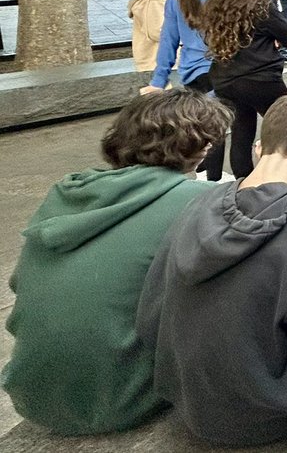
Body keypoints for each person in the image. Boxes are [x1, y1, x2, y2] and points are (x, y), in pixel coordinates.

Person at [2, 90, 230, 435]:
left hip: (32, 392)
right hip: (121, 397)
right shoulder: (197, 200)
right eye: (208, 140)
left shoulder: (67, 191)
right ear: (194, 146)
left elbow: (20, 281)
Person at [136, 94, 287, 447]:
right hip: (267, 412)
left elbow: (150, 312)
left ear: (258, 148)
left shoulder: (200, 201)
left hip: (188, 402)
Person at [202, 0, 287, 179]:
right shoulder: (261, 6)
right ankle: (278, 180)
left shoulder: (214, 4)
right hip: (261, 80)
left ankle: (244, 184)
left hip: (226, 80)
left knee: (242, 136)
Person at [144, 0, 229, 182]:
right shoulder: (220, 0)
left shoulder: (174, 1)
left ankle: (202, 173)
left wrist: (158, 81)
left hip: (190, 74)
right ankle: (213, 178)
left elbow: (167, 43)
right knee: (218, 127)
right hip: (219, 71)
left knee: (200, 125)